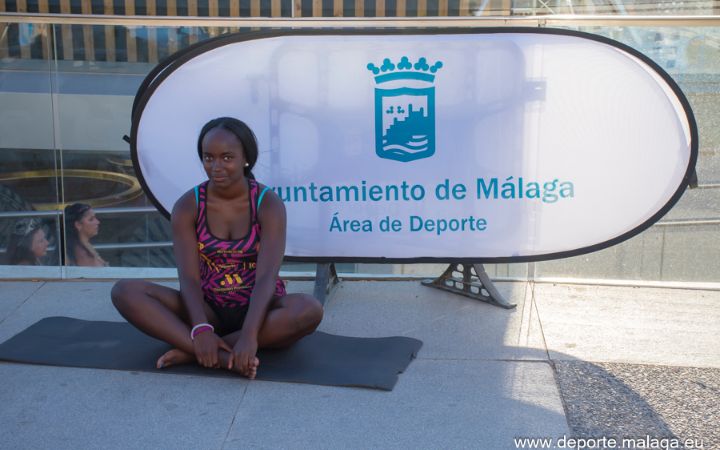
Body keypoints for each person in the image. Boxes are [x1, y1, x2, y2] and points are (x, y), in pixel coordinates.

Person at [111, 117, 323, 379]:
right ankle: (217, 355)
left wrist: (249, 335)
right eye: (208, 157)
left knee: (309, 310)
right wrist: (201, 327)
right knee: (125, 292)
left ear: (246, 158)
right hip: (208, 307)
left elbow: (266, 276)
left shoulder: (268, 204)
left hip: (259, 310)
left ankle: (192, 352)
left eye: (226, 158)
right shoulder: (188, 206)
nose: (216, 166)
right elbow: (188, 277)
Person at [64, 203, 107, 267]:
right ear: (78, 225)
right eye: (91, 219)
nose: (97, 222)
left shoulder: (83, 247)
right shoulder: (81, 253)